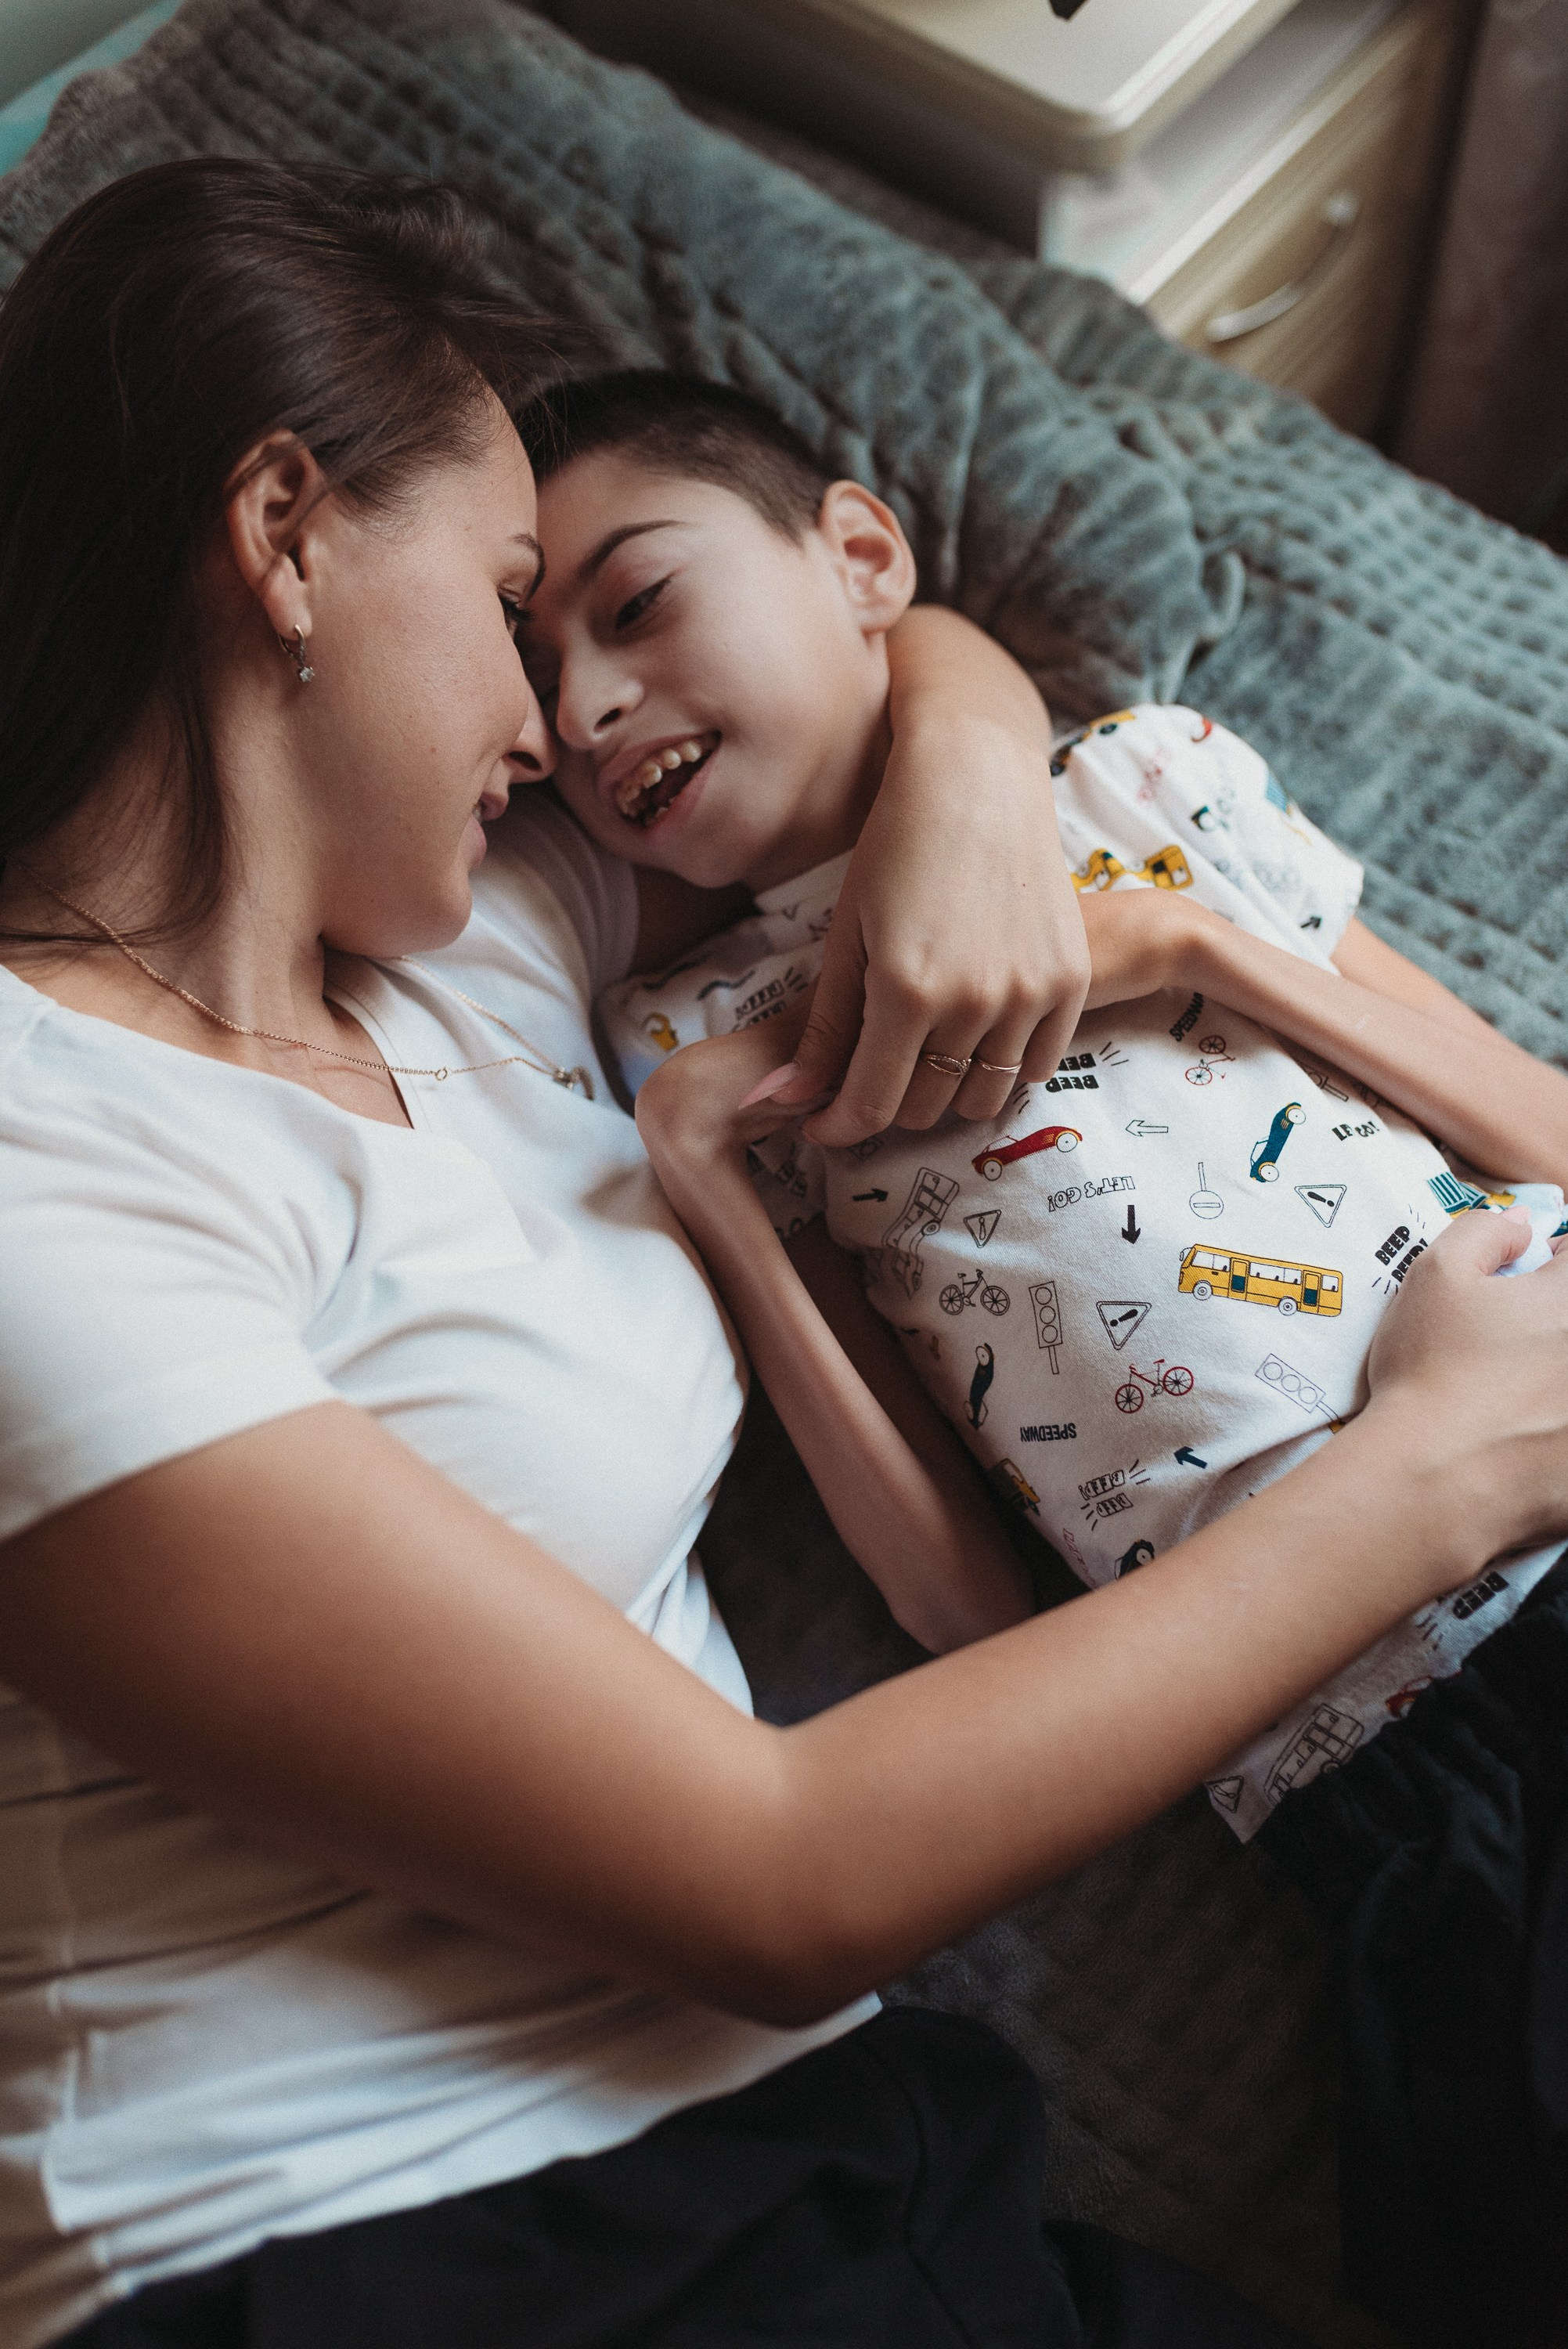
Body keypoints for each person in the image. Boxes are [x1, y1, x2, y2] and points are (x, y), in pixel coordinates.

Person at [2, 159, 1567, 2349]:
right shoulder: (37, 1157)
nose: (557, 726)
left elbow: (846, 687)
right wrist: (1450, 1464)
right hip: (365, 2261)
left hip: (844, 2172)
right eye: (503, 598)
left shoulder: (464, 953)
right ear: (286, 540)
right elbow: (770, 1880)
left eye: (588, 616)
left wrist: (981, 789)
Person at [517, 370, 1568, 1837]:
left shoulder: (1144, 781)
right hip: (1356, 1754)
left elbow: (1552, 1134)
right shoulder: (691, 1052)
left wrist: (1193, 948)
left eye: (634, 606)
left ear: (864, 562)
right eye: (535, 675)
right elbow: (964, 1617)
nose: (582, 707)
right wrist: (702, 1180)